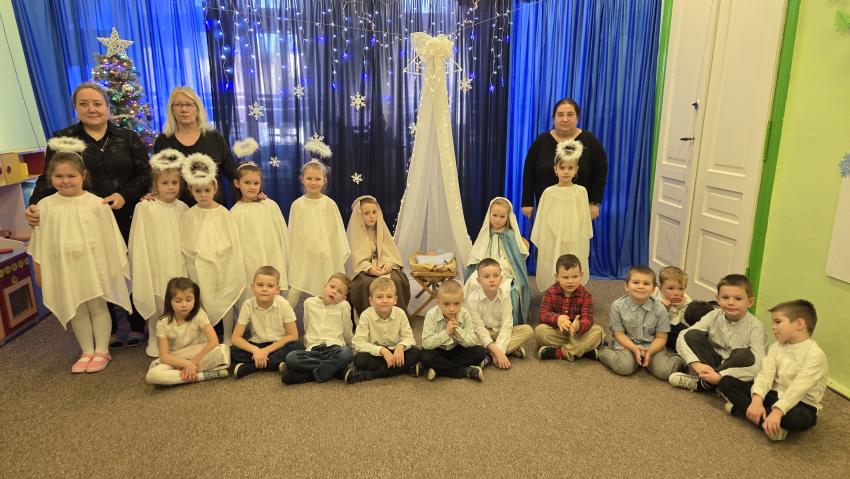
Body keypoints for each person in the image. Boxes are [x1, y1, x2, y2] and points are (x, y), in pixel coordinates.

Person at [25, 82, 149, 347]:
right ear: (76, 108)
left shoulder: (127, 137)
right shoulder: (63, 140)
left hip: (124, 214)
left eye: (97, 104)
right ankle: (110, 330)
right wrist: (34, 205)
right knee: (96, 269)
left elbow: (144, 173)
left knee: (128, 265)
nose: (91, 109)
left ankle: (137, 324)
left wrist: (124, 195)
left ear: (107, 106)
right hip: (83, 219)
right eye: (84, 104)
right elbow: (49, 177)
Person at [28, 145, 131, 373]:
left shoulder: (96, 204)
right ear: (50, 177)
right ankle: (86, 351)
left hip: (93, 267)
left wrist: (114, 267)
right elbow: (40, 243)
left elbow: (111, 239)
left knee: (97, 306)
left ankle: (102, 350)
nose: (65, 181)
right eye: (59, 176)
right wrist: (39, 270)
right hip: (65, 269)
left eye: (71, 176)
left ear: (83, 176)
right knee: (76, 309)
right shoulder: (45, 206)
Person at [717, 300, 828, 441]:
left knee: (796, 419)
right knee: (726, 382)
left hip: (800, 404)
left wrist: (777, 411)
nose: (773, 327)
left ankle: (740, 411)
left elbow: (798, 388)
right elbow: (765, 376)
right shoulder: (776, 347)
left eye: (778, 322)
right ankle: (769, 424)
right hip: (772, 395)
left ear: (799, 324)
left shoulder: (815, 355)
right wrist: (757, 400)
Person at [129, 149, 189, 357]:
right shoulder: (145, 207)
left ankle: (176, 337)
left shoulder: (183, 208)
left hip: (176, 261)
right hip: (155, 261)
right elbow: (138, 237)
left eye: (174, 182)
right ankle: (155, 337)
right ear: (155, 185)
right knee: (156, 300)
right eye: (165, 183)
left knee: (177, 298)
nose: (170, 187)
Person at [180, 154, 245, 344]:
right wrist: (197, 256)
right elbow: (186, 241)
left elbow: (232, 241)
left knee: (225, 299)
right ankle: (206, 336)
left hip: (222, 264)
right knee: (202, 300)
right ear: (191, 190)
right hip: (198, 266)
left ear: (215, 189)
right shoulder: (189, 214)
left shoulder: (223, 213)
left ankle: (227, 336)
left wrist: (219, 255)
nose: (203, 195)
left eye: (207, 190)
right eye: (198, 191)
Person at [669, 274, 767, 393]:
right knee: (691, 335)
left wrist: (721, 376)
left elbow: (759, 365)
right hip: (713, 361)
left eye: (738, 299)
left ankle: (703, 384)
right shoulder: (713, 315)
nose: (731, 302)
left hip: (734, 368)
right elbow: (682, 336)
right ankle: (713, 383)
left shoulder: (756, 327)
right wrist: (695, 364)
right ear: (718, 298)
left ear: (750, 302)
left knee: (745, 355)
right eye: (725, 297)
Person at [521, 98, 608, 221]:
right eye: (560, 115)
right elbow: (529, 171)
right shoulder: (541, 141)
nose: (565, 119)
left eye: (570, 114)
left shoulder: (590, 141)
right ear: (554, 118)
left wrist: (594, 202)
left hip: (579, 209)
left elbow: (600, 172)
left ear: (577, 118)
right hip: (547, 209)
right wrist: (527, 202)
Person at [153, 86, 236, 206]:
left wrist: (253, 191)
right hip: (176, 208)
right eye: (178, 105)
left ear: (197, 108)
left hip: (212, 207)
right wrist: (152, 192)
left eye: (188, 104)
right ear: (172, 109)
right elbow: (157, 176)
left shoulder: (214, 137)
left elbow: (231, 171)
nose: (184, 109)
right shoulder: (163, 141)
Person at [598, 266, 685, 380]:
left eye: (646, 284)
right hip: (627, 344)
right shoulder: (617, 306)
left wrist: (650, 351)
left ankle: (680, 359)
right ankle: (601, 351)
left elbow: (661, 338)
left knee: (664, 372)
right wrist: (634, 348)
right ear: (626, 286)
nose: (640, 286)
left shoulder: (660, 309)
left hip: (652, 345)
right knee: (624, 367)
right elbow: (619, 334)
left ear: (654, 289)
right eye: (635, 282)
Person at [530, 140, 593, 288]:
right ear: (555, 169)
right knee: (554, 260)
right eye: (562, 167)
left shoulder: (581, 192)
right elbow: (543, 219)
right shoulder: (548, 193)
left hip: (574, 237)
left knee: (573, 261)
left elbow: (583, 218)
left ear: (576, 169)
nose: (566, 171)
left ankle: (572, 290)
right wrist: (554, 233)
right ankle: (554, 291)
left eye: (570, 168)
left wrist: (573, 233)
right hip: (553, 236)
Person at [286, 160, 350, 307]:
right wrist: (307, 248)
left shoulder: (329, 204)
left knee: (327, 288)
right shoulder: (297, 205)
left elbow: (335, 231)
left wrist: (326, 249)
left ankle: (326, 318)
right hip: (304, 255)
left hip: (325, 254)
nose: (313, 182)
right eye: (309, 178)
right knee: (296, 288)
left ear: (324, 181)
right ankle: (284, 318)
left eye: (317, 179)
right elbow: (294, 233)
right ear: (302, 179)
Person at [145, 277, 230, 385]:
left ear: (195, 299)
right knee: (152, 376)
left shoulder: (199, 314)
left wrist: (192, 362)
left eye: (189, 300)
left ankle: (181, 375)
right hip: (176, 359)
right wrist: (186, 364)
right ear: (169, 301)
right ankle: (202, 375)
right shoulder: (162, 323)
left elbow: (214, 342)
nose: (184, 305)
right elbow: (164, 356)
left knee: (222, 351)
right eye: (178, 301)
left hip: (199, 355)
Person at [464, 197, 530, 326]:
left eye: (502, 216)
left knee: (506, 289)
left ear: (508, 218)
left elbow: (514, 260)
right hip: (484, 270)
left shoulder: (510, 235)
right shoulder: (485, 234)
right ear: (489, 215)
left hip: (504, 272)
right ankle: (474, 320)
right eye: (494, 215)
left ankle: (501, 323)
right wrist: (484, 269)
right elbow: (478, 255)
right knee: (473, 283)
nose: (498, 220)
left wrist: (498, 269)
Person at [230, 162, 290, 305]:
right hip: (250, 259)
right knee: (253, 292)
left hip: (271, 254)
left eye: (256, 183)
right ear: (237, 183)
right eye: (247, 182)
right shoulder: (234, 212)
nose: (252, 187)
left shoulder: (270, 205)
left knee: (274, 294)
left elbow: (281, 233)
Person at [230, 266, 304, 378]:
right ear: (253, 287)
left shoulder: (284, 304)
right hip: (257, 345)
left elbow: (293, 335)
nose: (264, 289)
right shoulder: (248, 305)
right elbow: (235, 338)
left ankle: (251, 367)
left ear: (277, 289)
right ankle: (276, 364)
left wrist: (267, 351)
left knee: (298, 347)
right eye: (260, 285)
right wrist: (256, 350)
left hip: (279, 345)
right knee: (232, 352)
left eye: (270, 286)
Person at [345, 277, 420, 384]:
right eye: (379, 297)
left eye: (389, 296)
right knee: (359, 360)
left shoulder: (400, 313)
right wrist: (382, 351)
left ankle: (370, 374)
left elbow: (409, 338)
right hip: (376, 354)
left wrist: (401, 346)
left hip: (395, 351)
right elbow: (359, 343)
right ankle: (403, 368)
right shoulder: (366, 315)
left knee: (416, 353)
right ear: (371, 301)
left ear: (395, 300)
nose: (385, 300)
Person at [283, 273, 354, 384]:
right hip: (313, 350)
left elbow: (347, 329)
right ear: (325, 286)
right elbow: (307, 326)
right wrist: (308, 345)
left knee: (347, 353)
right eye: (332, 287)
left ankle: (309, 375)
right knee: (291, 357)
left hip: (334, 349)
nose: (334, 291)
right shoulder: (309, 303)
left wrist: (351, 345)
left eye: (340, 291)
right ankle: (335, 370)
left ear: (344, 298)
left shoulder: (344, 306)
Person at [347, 195, 411, 315]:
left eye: (374, 212)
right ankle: (369, 320)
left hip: (383, 267)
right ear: (359, 216)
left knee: (397, 280)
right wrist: (369, 268)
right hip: (363, 270)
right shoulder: (353, 234)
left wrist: (389, 263)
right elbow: (354, 260)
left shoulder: (381, 230)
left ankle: (398, 318)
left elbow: (390, 252)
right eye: (366, 213)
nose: (372, 216)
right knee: (366, 284)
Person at [467, 259, 533, 370]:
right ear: (478, 280)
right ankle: (508, 350)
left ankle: (489, 356)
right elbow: (479, 329)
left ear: (501, 278)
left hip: (499, 332)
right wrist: (499, 352)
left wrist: (498, 352)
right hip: (481, 334)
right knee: (467, 340)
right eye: (486, 276)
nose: (492, 280)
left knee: (527, 330)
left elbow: (507, 326)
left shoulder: (505, 297)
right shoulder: (472, 299)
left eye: (496, 276)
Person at [535, 254, 604, 361]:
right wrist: (557, 319)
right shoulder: (550, 292)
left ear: (581, 275)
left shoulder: (586, 295)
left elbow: (588, 319)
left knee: (599, 332)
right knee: (540, 331)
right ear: (557, 277)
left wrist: (578, 326)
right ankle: (582, 350)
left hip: (577, 334)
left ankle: (560, 353)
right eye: (565, 277)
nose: (570, 281)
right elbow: (543, 315)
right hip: (558, 332)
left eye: (575, 277)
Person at [420, 280, 486, 382]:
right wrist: (446, 333)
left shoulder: (465, 314)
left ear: (462, 301)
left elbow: (472, 341)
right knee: (425, 356)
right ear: (438, 302)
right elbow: (426, 344)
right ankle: (465, 371)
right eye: (446, 304)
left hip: (457, 349)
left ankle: (439, 369)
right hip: (438, 350)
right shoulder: (431, 315)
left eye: (456, 304)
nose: (452, 309)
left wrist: (457, 331)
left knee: (479, 352)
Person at [652, 266, 693, 349]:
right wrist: (661, 307)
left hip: (675, 325)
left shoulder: (686, 300)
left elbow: (683, 320)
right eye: (670, 288)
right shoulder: (653, 294)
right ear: (660, 287)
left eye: (681, 289)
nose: (676, 293)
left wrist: (682, 306)